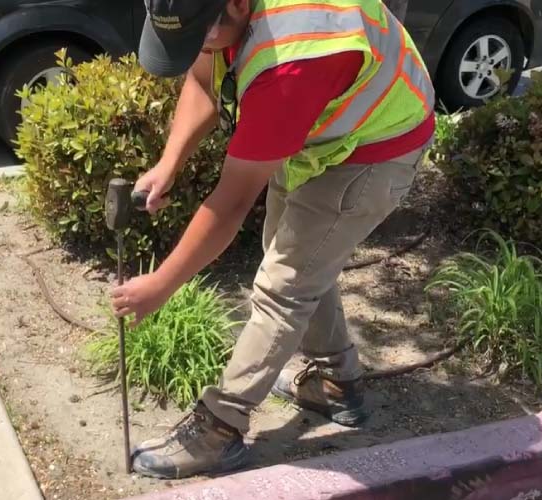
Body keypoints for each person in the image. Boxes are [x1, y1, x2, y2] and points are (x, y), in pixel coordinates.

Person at [110, 0, 435, 479]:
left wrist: (161, 284)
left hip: (376, 147)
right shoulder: (215, 14)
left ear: (239, 6)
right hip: (328, 123)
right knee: (297, 260)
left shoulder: (289, 63)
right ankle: (336, 382)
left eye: (200, 35)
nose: (197, 46)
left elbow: (231, 203)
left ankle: (219, 428)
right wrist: (168, 163)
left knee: (284, 285)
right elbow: (202, 81)